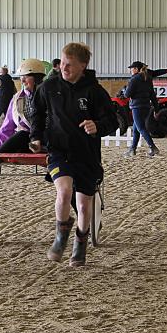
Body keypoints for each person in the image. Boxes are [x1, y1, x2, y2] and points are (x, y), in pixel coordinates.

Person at [30, 42, 117, 267]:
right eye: (61, 63)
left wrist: (98, 126)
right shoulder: (48, 87)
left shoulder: (95, 92)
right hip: (59, 151)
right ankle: (60, 236)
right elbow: (36, 113)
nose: (63, 68)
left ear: (83, 66)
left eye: (69, 65)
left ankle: (80, 242)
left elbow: (113, 121)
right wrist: (35, 137)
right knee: (64, 191)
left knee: (84, 205)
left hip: (87, 154)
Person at [0, 59, 45, 181]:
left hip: (49, 141)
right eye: (21, 77)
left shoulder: (50, 96)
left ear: (37, 78)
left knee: (24, 134)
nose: (22, 80)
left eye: (27, 76)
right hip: (28, 144)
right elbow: (6, 129)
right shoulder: (17, 99)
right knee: (22, 134)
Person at [123, 61, 162, 158]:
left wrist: (124, 90)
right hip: (146, 107)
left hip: (137, 106)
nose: (131, 70)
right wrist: (157, 109)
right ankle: (132, 149)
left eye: (132, 68)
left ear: (136, 69)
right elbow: (152, 95)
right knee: (136, 129)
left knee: (141, 128)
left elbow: (127, 94)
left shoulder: (134, 79)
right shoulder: (148, 78)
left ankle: (153, 147)